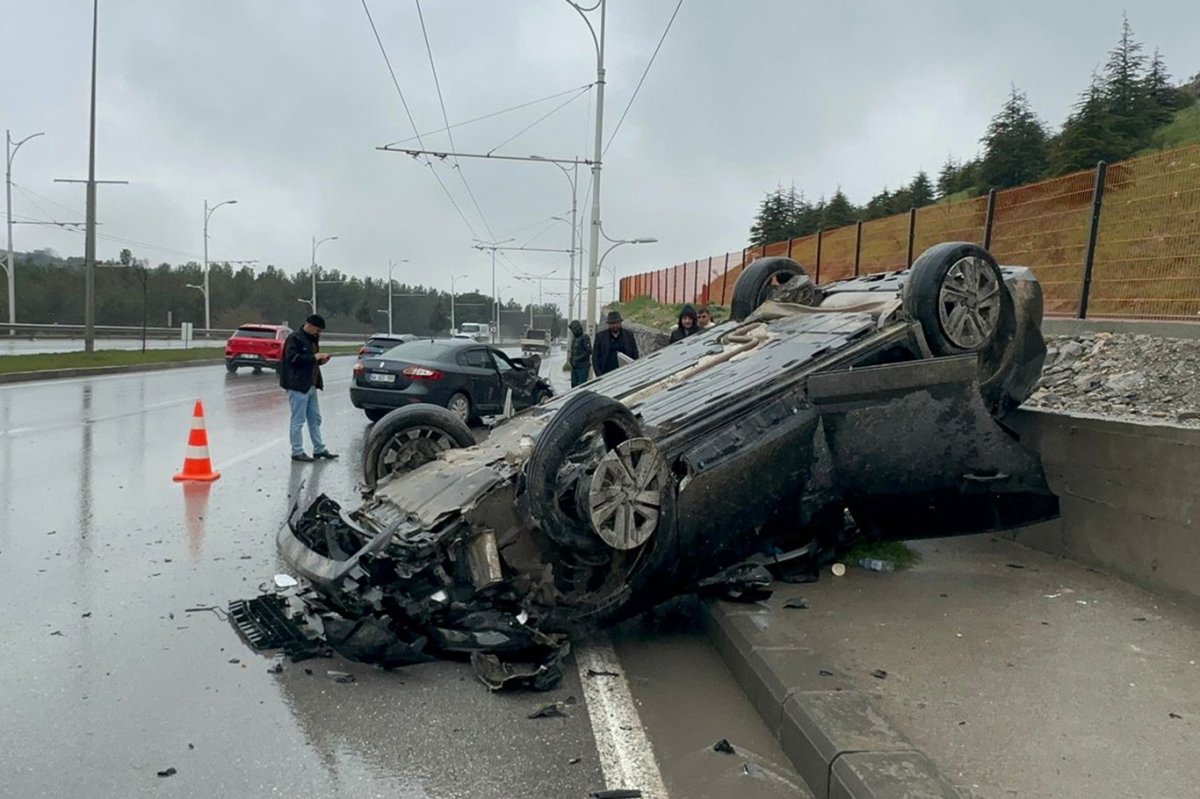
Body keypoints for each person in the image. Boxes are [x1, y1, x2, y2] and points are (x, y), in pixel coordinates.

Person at [280, 314, 337, 463]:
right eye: (318, 330)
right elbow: (292, 359)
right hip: (297, 385)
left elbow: (311, 362)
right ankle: (297, 451)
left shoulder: (312, 340)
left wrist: (320, 361)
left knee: (315, 418)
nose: (319, 333)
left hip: (311, 385)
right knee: (298, 420)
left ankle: (319, 448)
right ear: (310, 326)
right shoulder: (295, 339)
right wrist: (314, 357)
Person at [592, 310, 639, 376]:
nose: (615, 325)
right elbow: (595, 358)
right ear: (609, 324)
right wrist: (599, 375)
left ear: (620, 323)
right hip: (606, 374)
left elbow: (635, 354)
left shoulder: (629, 336)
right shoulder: (600, 337)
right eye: (612, 323)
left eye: (617, 323)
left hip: (625, 373)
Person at [568, 320, 592, 387]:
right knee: (574, 385)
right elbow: (573, 351)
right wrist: (571, 360)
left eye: (574, 330)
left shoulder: (585, 337)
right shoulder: (574, 339)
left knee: (581, 385)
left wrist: (578, 359)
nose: (573, 332)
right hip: (575, 366)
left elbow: (589, 351)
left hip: (582, 367)